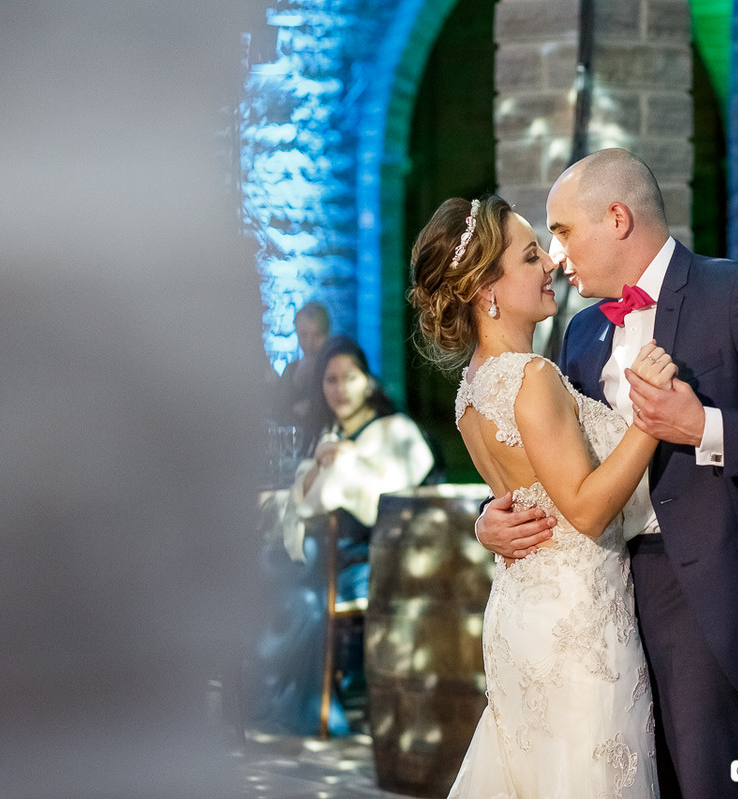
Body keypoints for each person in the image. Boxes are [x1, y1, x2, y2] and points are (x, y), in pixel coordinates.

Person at [475, 149, 738, 798]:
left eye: (564, 230)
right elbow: (560, 463)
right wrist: (490, 519)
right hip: (602, 603)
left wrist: (706, 428)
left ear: (618, 218)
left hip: (716, 594)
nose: (554, 254)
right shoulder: (579, 335)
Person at [410, 194, 676, 797]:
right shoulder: (533, 378)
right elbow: (584, 508)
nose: (550, 264)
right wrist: (650, 421)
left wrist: (487, 524)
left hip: (521, 615)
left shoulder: (470, 391)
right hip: (577, 627)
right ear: (486, 290)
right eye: (531, 256)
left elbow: (529, 493)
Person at [246, 335, 436, 737]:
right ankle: (283, 693)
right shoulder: (329, 435)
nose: (339, 388)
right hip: (330, 557)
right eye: (330, 380)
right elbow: (307, 493)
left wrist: (345, 463)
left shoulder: (394, 432)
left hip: (377, 557)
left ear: (367, 381)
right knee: (288, 580)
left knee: (299, 581)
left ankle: (275, 692)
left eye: (349, 378)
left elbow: (388, 497)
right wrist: (320, 468)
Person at [275, 301, 331, 441]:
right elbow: (278, 415)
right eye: (304, 335)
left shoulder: (334, 370)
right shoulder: (291, 370)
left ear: (327, 334)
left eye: (317, 335)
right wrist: (295, 382)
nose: (310, 343)